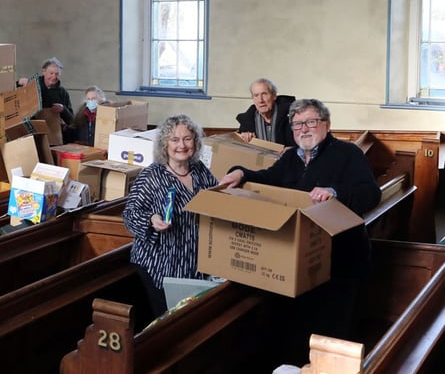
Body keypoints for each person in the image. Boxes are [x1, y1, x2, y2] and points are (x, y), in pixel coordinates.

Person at [220, 98, 381, 365]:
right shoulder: (291, 159)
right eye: (296, 125)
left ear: (326, 125)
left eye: (310, 122)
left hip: (341, 263)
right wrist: (240, 173)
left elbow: (370, 194)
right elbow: (268, 178)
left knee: (331, 338)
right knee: (296, 334)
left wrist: (334, 193)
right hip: (302, 264)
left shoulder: (347, 154)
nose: (303, 129)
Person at [123, 114, 219, 317]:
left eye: (187, 138)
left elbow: (216, 204)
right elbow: (130, 214)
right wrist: (151, 220)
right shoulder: (152, 175)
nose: (181, 145)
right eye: (174, 140)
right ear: (164, 144)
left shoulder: (200, 171)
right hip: (161, 266)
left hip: (195, 264)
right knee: (167, 324)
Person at [17, 57, 74, 132]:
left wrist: (63, 109)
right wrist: (18, 83)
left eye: (57, 74)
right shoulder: (32, 85)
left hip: (53, 133)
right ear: (44, 71)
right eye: (51, 73)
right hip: (31, 130)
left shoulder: (63, 93)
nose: (54, 77)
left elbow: (71, 121)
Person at [236, 78, 296, 147]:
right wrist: (243, 137)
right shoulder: (247, 122)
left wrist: (292, 150)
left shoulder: (292, 116)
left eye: (264, 94)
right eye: (256, 95)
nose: (260, 100)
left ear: (274, 96)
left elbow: (302, 144)